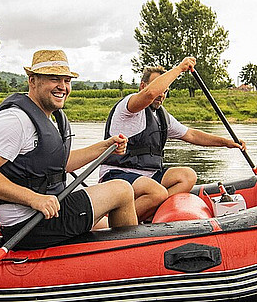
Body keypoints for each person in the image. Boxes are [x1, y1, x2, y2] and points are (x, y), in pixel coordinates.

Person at [0, 49, 138, 251]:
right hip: (29, 224)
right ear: (32, 81)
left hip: (46, 213)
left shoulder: (46, 116)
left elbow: (60, 165)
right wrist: (34, 199)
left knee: (102, 225)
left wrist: (105, 146)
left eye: (67, 81)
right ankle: (134, 259)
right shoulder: (15, 120)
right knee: (122, 190)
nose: (62, 87)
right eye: (54, 79)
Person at [98, 57, 247, 220]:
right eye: (159, 87)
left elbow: (191, 134)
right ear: (142, 86)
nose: (161, 94)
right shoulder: (129, 107)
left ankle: (148, 212)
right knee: (157, 192)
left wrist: (226, 142)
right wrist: (179, 68)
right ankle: (114, 222)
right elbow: (150, 94)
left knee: (187, 176)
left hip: (149, 176)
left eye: (165, 90)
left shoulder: (161, 117)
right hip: (118, 174)